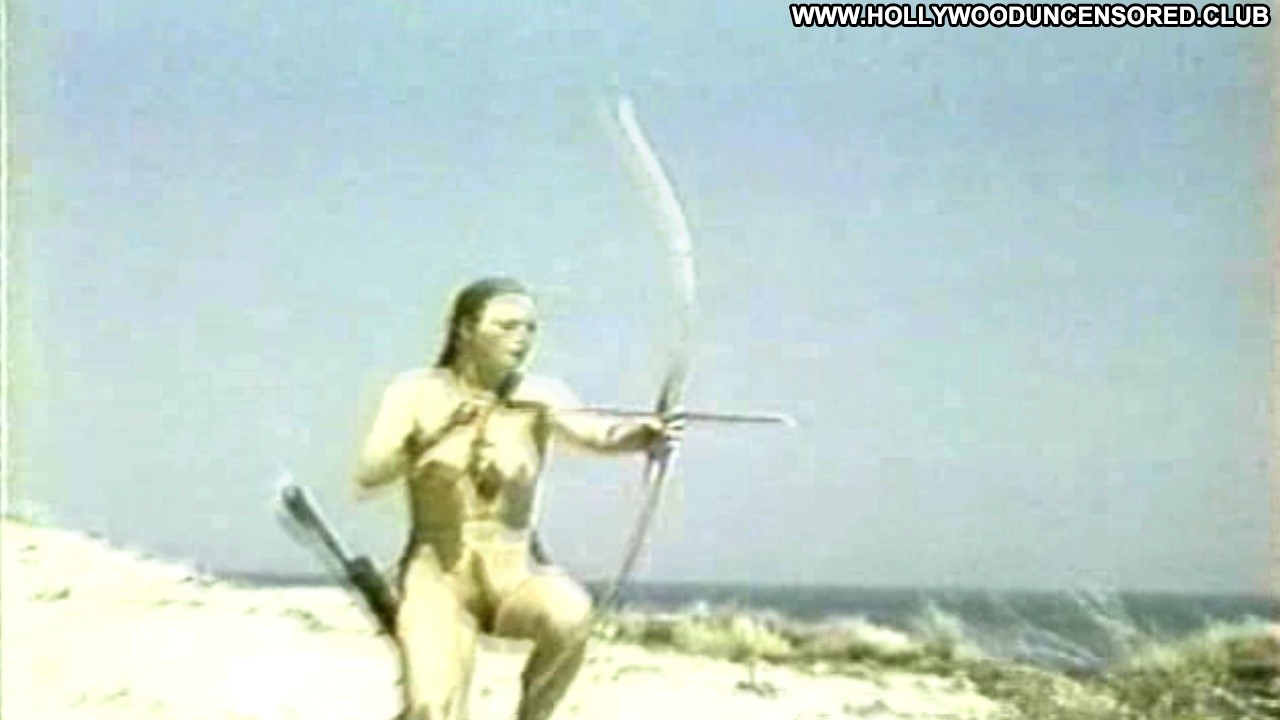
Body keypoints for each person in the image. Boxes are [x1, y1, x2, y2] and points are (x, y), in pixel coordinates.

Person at [352, 277, 685, 720]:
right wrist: (438, 433)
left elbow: (598, 433)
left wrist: (644, 433)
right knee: (433, 709)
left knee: (570, 614)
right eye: (507, 326)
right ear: (465, 329)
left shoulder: (541, 395)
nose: (522, 339)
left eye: (529, 328)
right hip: (439, 581)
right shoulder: (415, 392)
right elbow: (368, 476)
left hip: (514, 579)